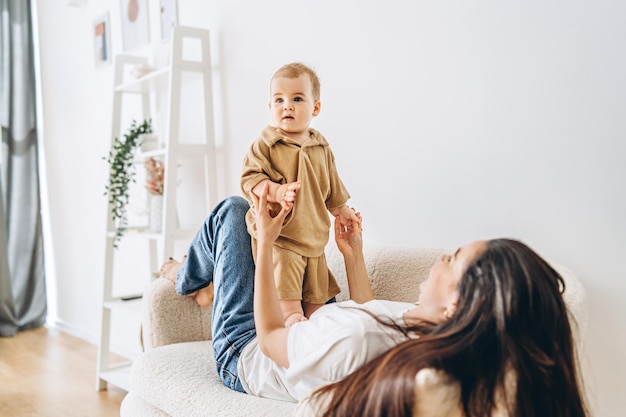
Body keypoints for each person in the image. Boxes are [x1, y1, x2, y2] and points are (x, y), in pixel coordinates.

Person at [161, 187, 589, 417]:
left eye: (453, 258)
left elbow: (272, 338)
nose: (441, 258)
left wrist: (268, 244)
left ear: (458, 304)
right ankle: (210, 282)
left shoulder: (355, 339)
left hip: (248, 352)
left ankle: (184, 277)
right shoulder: (432, 335)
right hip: (309, 330)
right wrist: (353, 256)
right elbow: (370, 314)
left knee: (234, 212)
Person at [240, 62, 360, 327]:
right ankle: (292, 326)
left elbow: (333, 188)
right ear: (270, 107)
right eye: (279, 99)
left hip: (315, 240)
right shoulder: (266, 144)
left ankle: (317, 331)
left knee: (319, 308)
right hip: (282, 238)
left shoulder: (321, 147)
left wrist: (343, 211)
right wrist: (277, 191)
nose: (287, 106)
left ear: (315, 108)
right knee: (291, 308)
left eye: (297, 98)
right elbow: (251, 179)